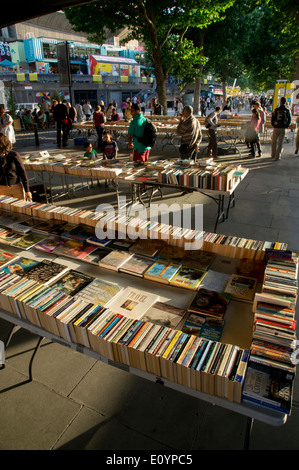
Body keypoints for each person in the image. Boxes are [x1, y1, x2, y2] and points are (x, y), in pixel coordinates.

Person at [0, 133, 31, 200]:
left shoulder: (14, 155)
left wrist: (27, 190)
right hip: (1, 188)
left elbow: (22, 172)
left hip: (15, 187)